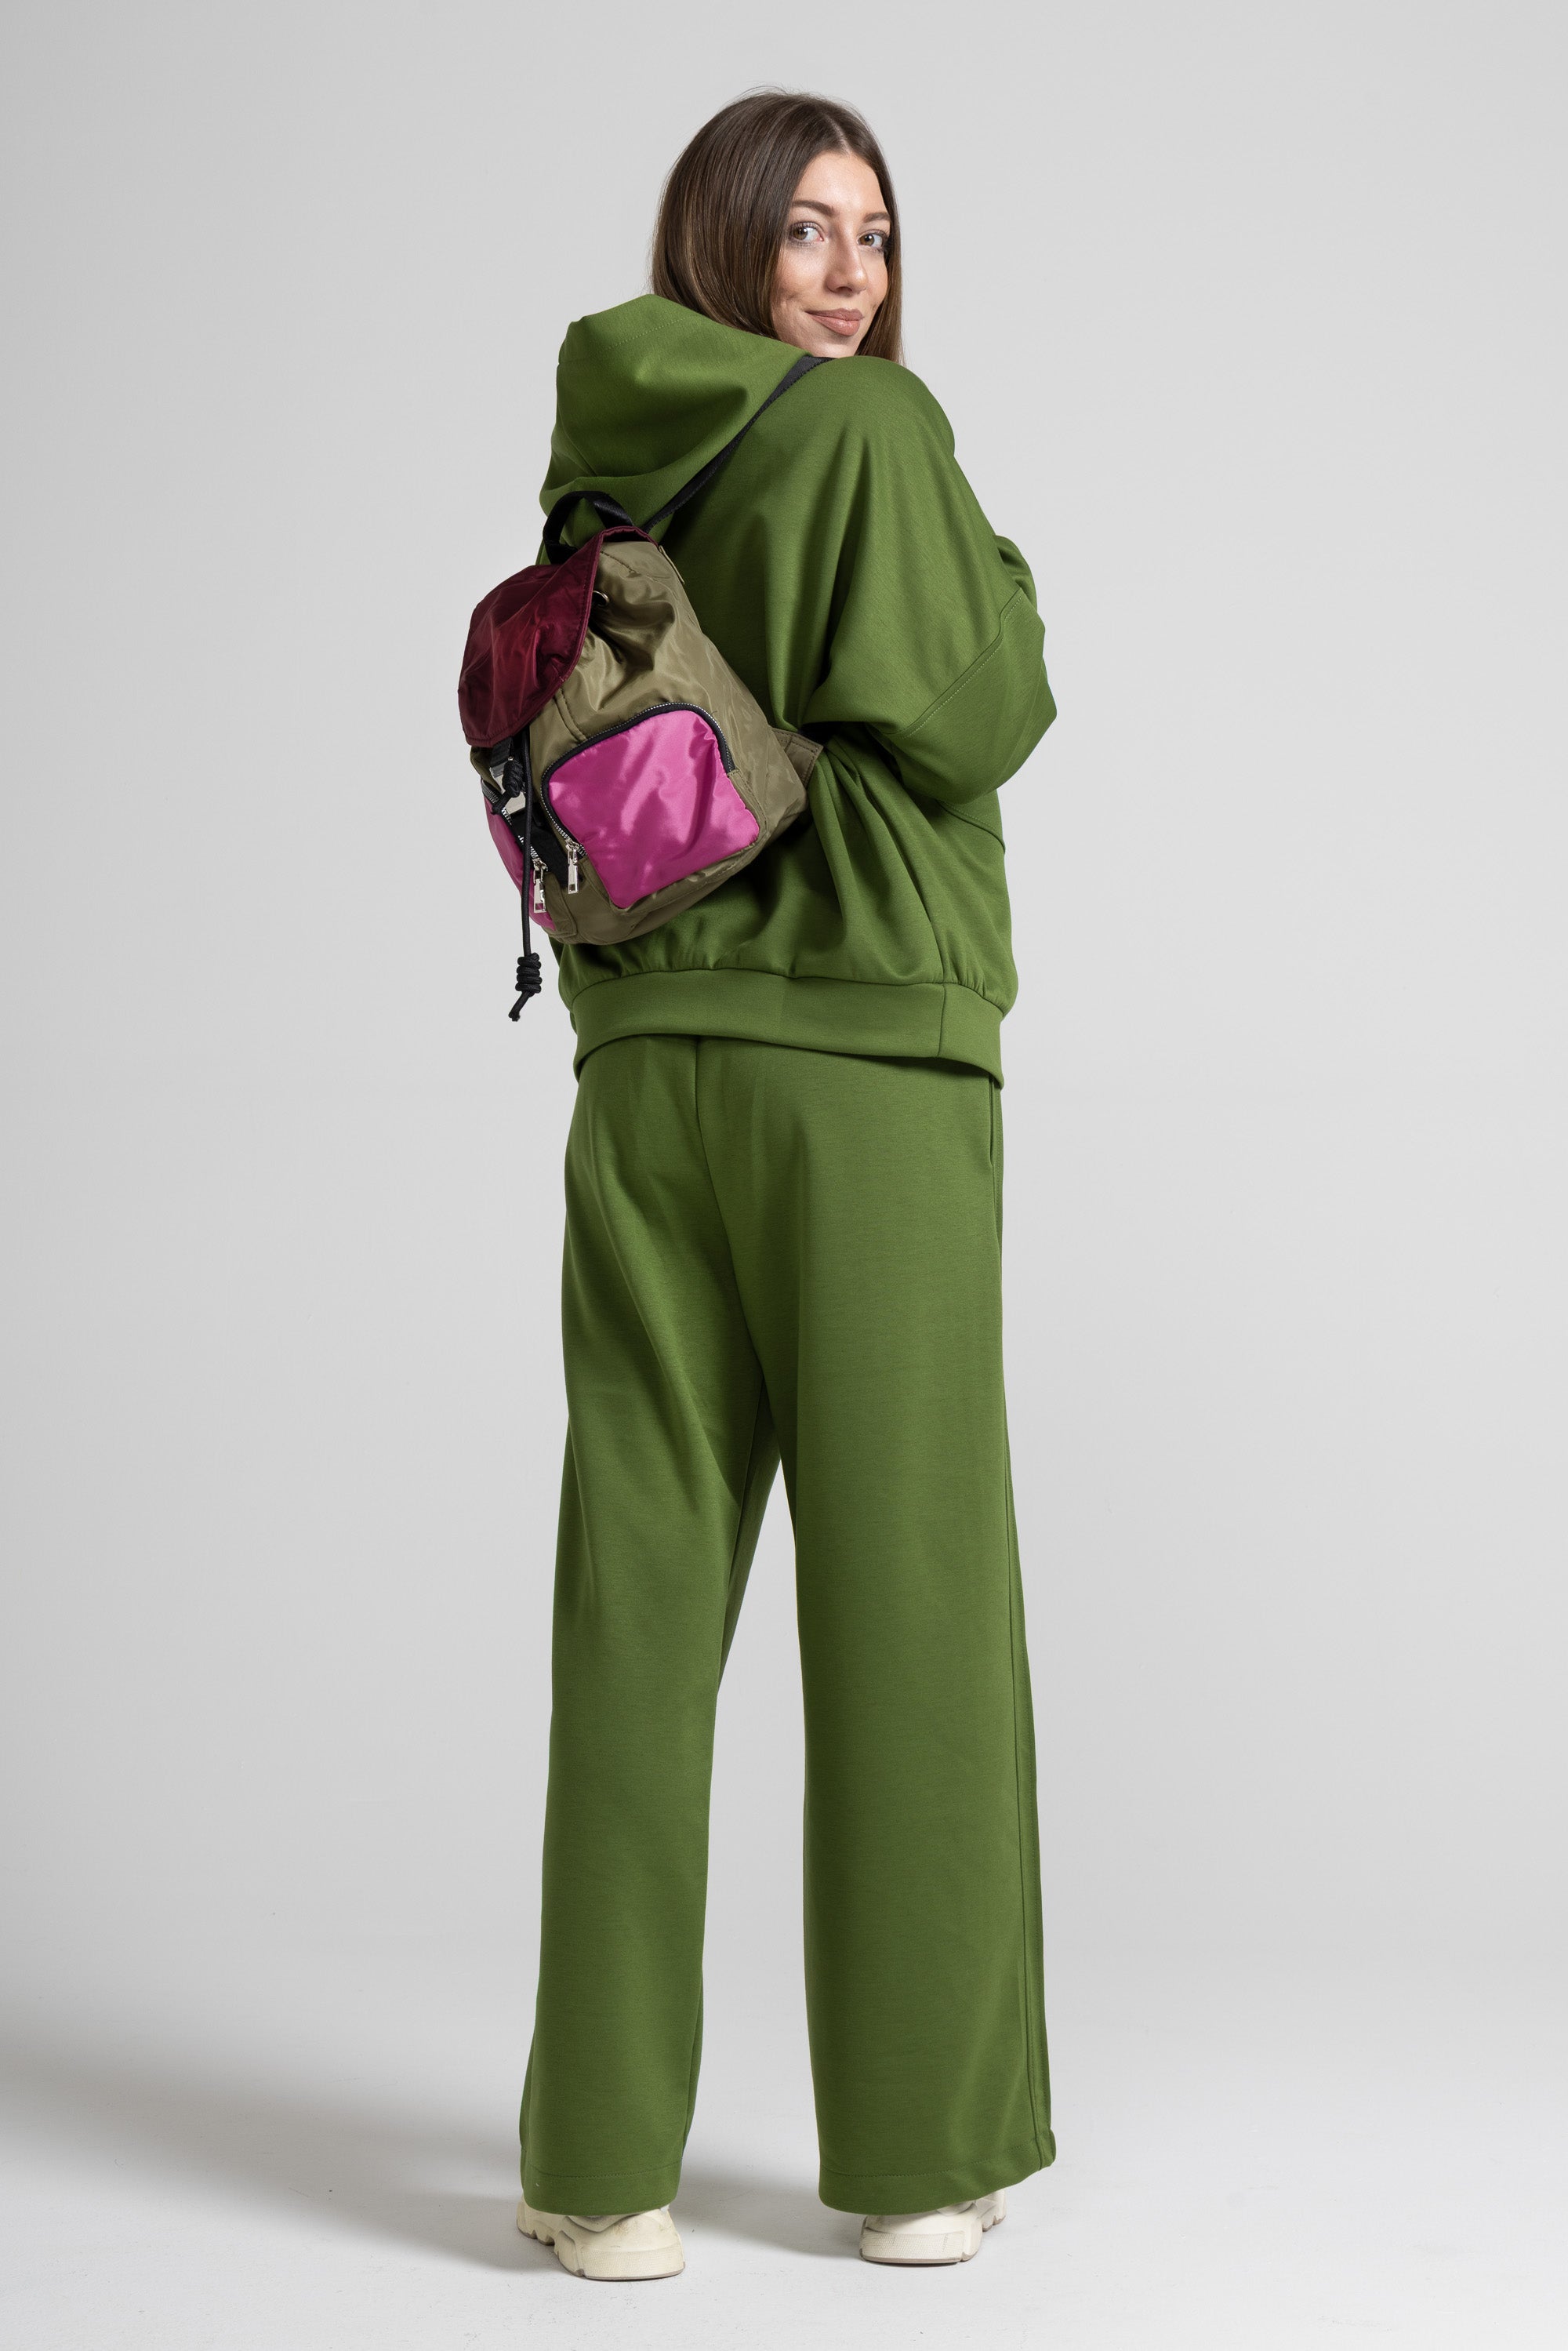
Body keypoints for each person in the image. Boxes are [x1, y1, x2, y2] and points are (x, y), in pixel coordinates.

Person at [513, 89, 1058, 2280]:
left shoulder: (602, 463)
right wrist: (998, 567)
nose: (851, 276)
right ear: (727, 240)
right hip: (864, 1065)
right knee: (910, 1589)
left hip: (646, 1069)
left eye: (877, 235)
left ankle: (597, 2171)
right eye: (811, 230)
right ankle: (921, 2156)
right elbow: (992, 706)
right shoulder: (869, 434)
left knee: (637, 1593)